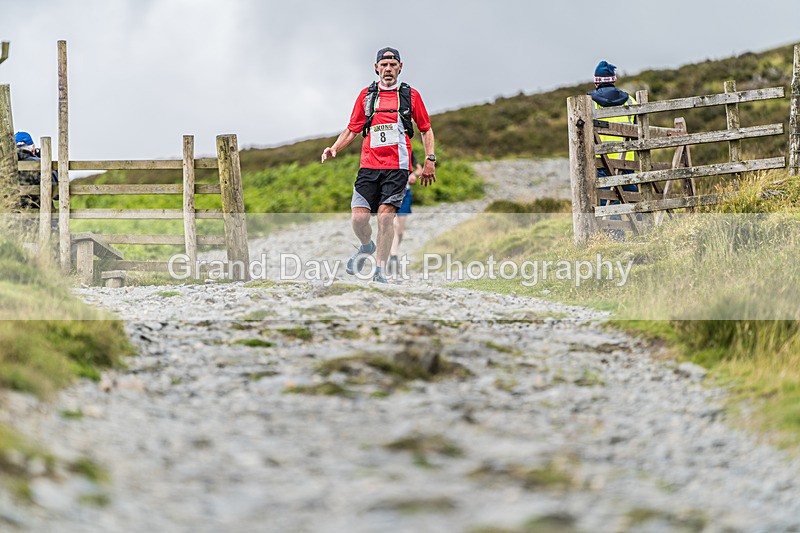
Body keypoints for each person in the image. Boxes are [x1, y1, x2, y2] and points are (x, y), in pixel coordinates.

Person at [321, 47, 436, 283]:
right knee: (358, 220)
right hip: (369, 167)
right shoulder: (366, 96)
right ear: (376, 68)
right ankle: (366, 246)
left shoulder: (411, 96)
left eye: (393, 65)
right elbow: (352, 128)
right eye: (384, 65)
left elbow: (425, 128)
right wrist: (334, 147)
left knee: (385, 218)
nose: (388, 69)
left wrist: (430, 159)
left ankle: (379, 272)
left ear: (400, 67)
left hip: (397, 167)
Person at [589, 61, 638, 240]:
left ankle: (616, 237)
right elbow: (636, 128)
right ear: (613, 79)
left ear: (596, 81)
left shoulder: (590, 103)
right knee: (633, 197)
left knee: (609, 199)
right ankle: (643, 232)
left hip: (602, 161)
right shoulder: (630, 100)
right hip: (627, 159)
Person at [387, 150, 422, 275]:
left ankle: (393, 250)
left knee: (400, 231)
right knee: (394, 225)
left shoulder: (407, 150)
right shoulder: (385, 149)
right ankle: (393, 256)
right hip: (389, 193)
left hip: (405, 194)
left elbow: (419, 169)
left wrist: (414, 175)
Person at [15, 131, 58, 211]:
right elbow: (57, 193)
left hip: (14, 219)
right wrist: (44, 159)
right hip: (43, 217)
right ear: (33, 148)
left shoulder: (7, 166)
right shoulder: (42, 164)